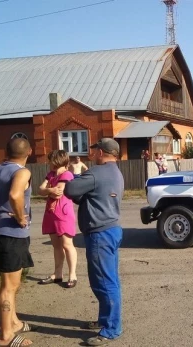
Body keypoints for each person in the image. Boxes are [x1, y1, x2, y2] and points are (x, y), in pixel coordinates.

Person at [64, 138, 124, 346]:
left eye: (94, 150)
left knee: (104, 282)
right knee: (109, 279)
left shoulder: (96, 173)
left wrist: (72, 172)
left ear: (101, 152)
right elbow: (92, 196)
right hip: (112, 230)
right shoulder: (115, 172)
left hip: (100, 233)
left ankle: (111, 329)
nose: (92, 153)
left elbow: (70, 190)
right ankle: (105, 320)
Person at [0, 138, 35, 347]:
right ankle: (5, 337)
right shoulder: (22, 172)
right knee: (9, 286)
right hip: (11, 234)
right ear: (29, 151)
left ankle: (14, 323)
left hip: (1, 233)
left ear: (6, 151)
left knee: (13, 283)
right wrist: (19, 217)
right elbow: (15, 194)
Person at [38, 150, 78, 288]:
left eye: (50, 160)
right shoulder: (51, 174)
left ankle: (72, 275)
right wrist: (49, 190)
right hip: (50, 213)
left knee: (67, 245)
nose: (48, 163)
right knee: (56, 246)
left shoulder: (67, 174)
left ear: (56, 161)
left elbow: (58, 193)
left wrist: (48, 190)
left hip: (63, 213)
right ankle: (58, 274)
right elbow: (40, 190)